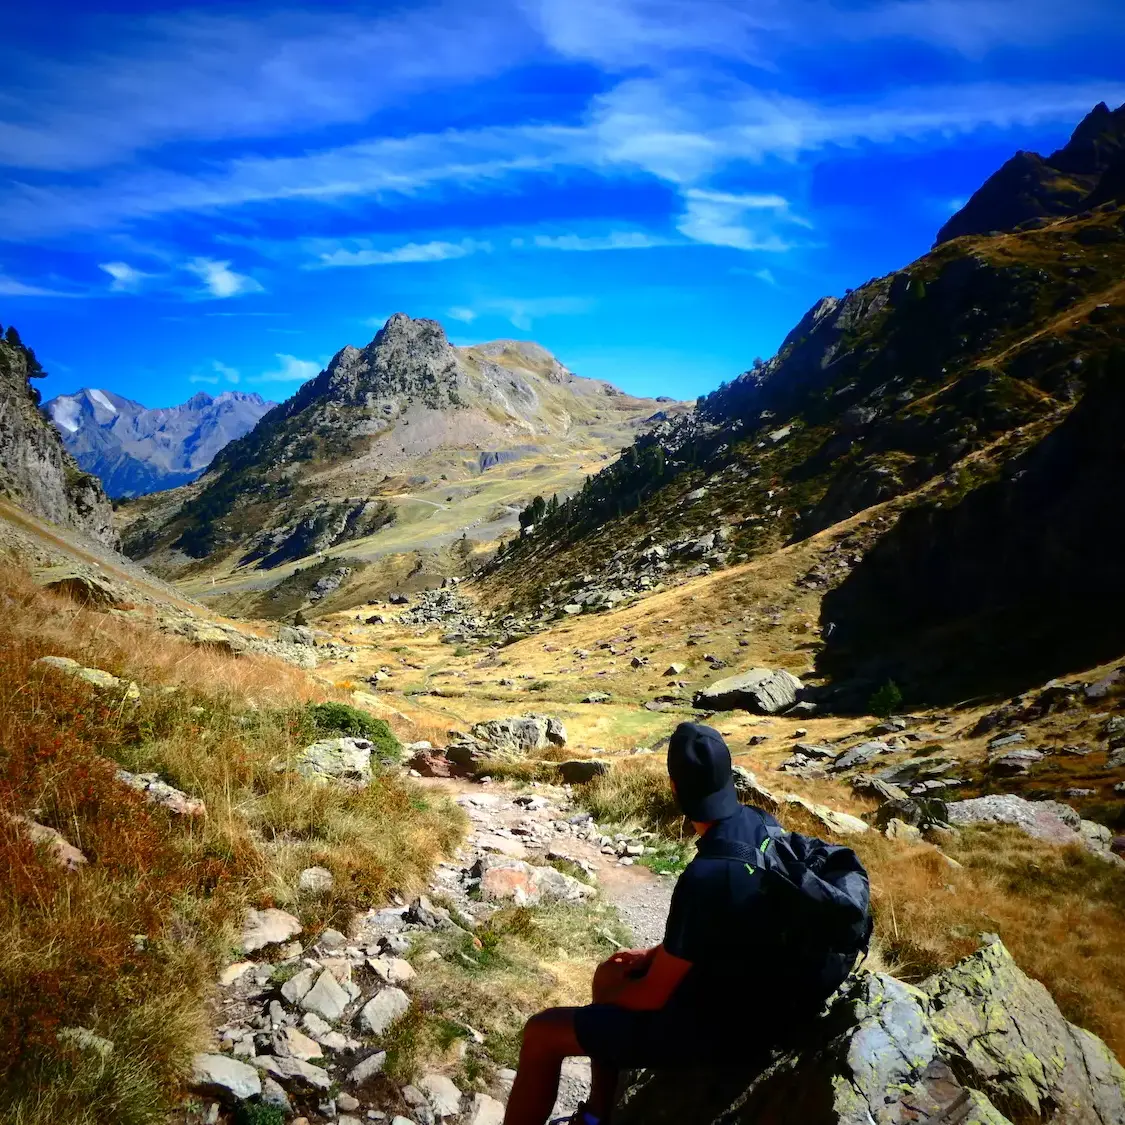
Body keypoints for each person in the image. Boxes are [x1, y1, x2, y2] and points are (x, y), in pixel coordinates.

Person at [503, 721, 865, 1125]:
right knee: (611, 971)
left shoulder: (707, 875)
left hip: (723, 1030)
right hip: (765, 997)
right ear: (729, 776)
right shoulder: (760, 823)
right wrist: (649, 958)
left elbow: (652, 998)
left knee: (542, 1033)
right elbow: (733, 925)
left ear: (675, 788)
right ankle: (598, 1114)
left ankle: (596, 1104)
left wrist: (611, 998)